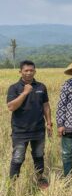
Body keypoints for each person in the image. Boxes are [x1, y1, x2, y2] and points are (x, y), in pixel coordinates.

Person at [6, 60, 52, 188]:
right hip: (20, 131)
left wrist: (49, 123)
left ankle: (40, 179)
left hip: (38, 129)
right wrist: (25, 92)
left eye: (31, 70)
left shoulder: (41, 87)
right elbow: (11, 107)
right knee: (18, 158)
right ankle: (13, 184)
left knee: (38, 155)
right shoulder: (14, 88)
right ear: (20, 72)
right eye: (26, 70)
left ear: (35, 71)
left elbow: (46, 105)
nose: (29, 73)